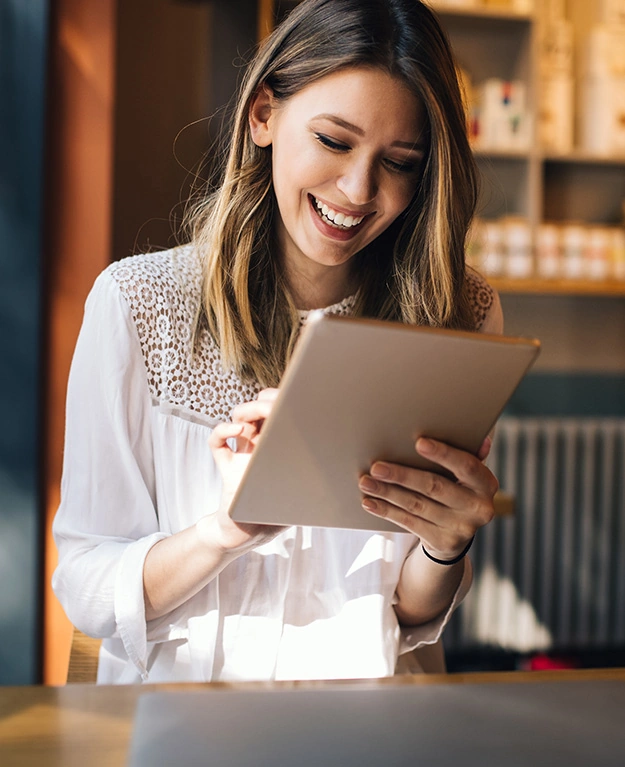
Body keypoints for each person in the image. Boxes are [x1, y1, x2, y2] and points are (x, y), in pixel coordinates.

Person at [52, 0, 503, 684]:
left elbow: (408, 620)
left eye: (400, 161)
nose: (358, 189)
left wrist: (444, 546)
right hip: (186, 729)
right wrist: (226, 531)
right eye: (333, 140)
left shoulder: (457, 310)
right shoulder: (137, 303)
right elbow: (86, 587)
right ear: (262, 113)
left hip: (373, 725)